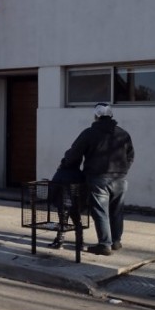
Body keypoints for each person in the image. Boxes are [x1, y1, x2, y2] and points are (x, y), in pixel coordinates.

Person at [59, 103, 134, 256]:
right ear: (111, 116)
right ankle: (116, 241)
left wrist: (66, 163)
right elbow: (130, 156)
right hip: (120, 178)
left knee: (100, 211)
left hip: (98, 178)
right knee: (117, 210)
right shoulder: (123, 134)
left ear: (96, 116)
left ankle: (104, 244)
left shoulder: (89, 133)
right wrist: (123, 169)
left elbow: (74, 153)